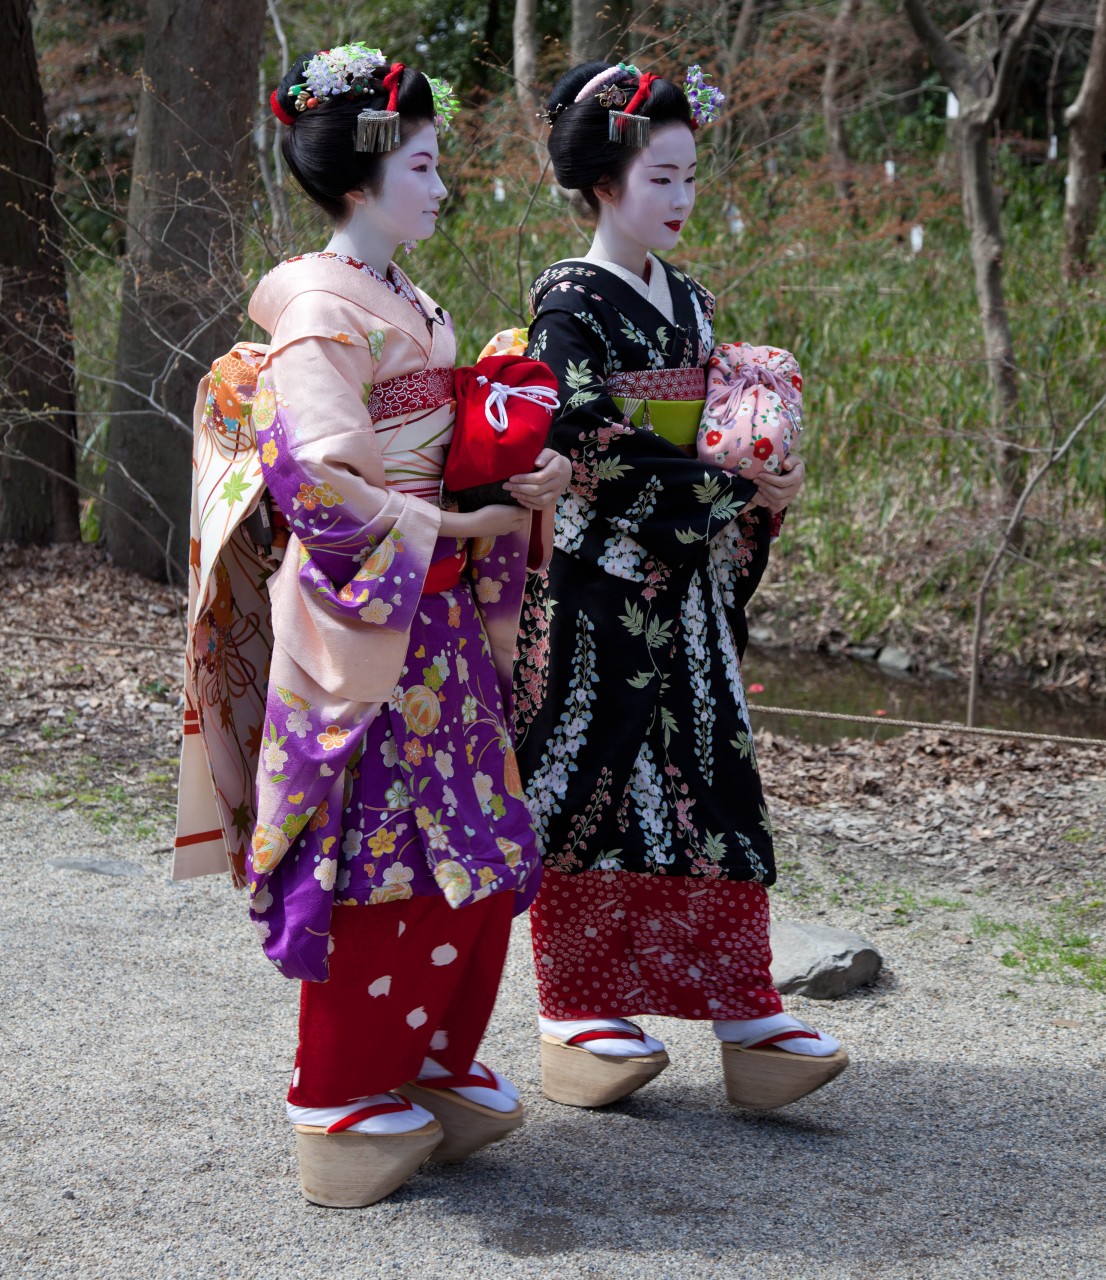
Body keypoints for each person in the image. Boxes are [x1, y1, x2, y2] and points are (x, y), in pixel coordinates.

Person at [177, 42, 569, 1207]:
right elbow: (321, 486)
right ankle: (340, 1089)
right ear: (360, 179)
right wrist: (460, 521)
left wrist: (519, 480)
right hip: (371, 618)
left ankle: (428, 1059)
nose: (442, 184)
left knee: (478, 844)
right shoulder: (317, 309)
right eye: (423, 163)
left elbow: (438, 449)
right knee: (383, 859)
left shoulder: (405, 299)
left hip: (432, 617)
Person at [511, 61, 847, 1112]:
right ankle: (574, 1007)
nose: (683, 197)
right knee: (588, 776)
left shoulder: (690, 300)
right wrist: (718, 483)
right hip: (602, 577)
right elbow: (574, 427)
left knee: (712, 774)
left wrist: (768, 475)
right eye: (663, 177)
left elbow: (725, 419)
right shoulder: (567, 299)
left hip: (689, 584)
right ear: (606, 179)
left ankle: (743, 1004)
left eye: (690, 176)